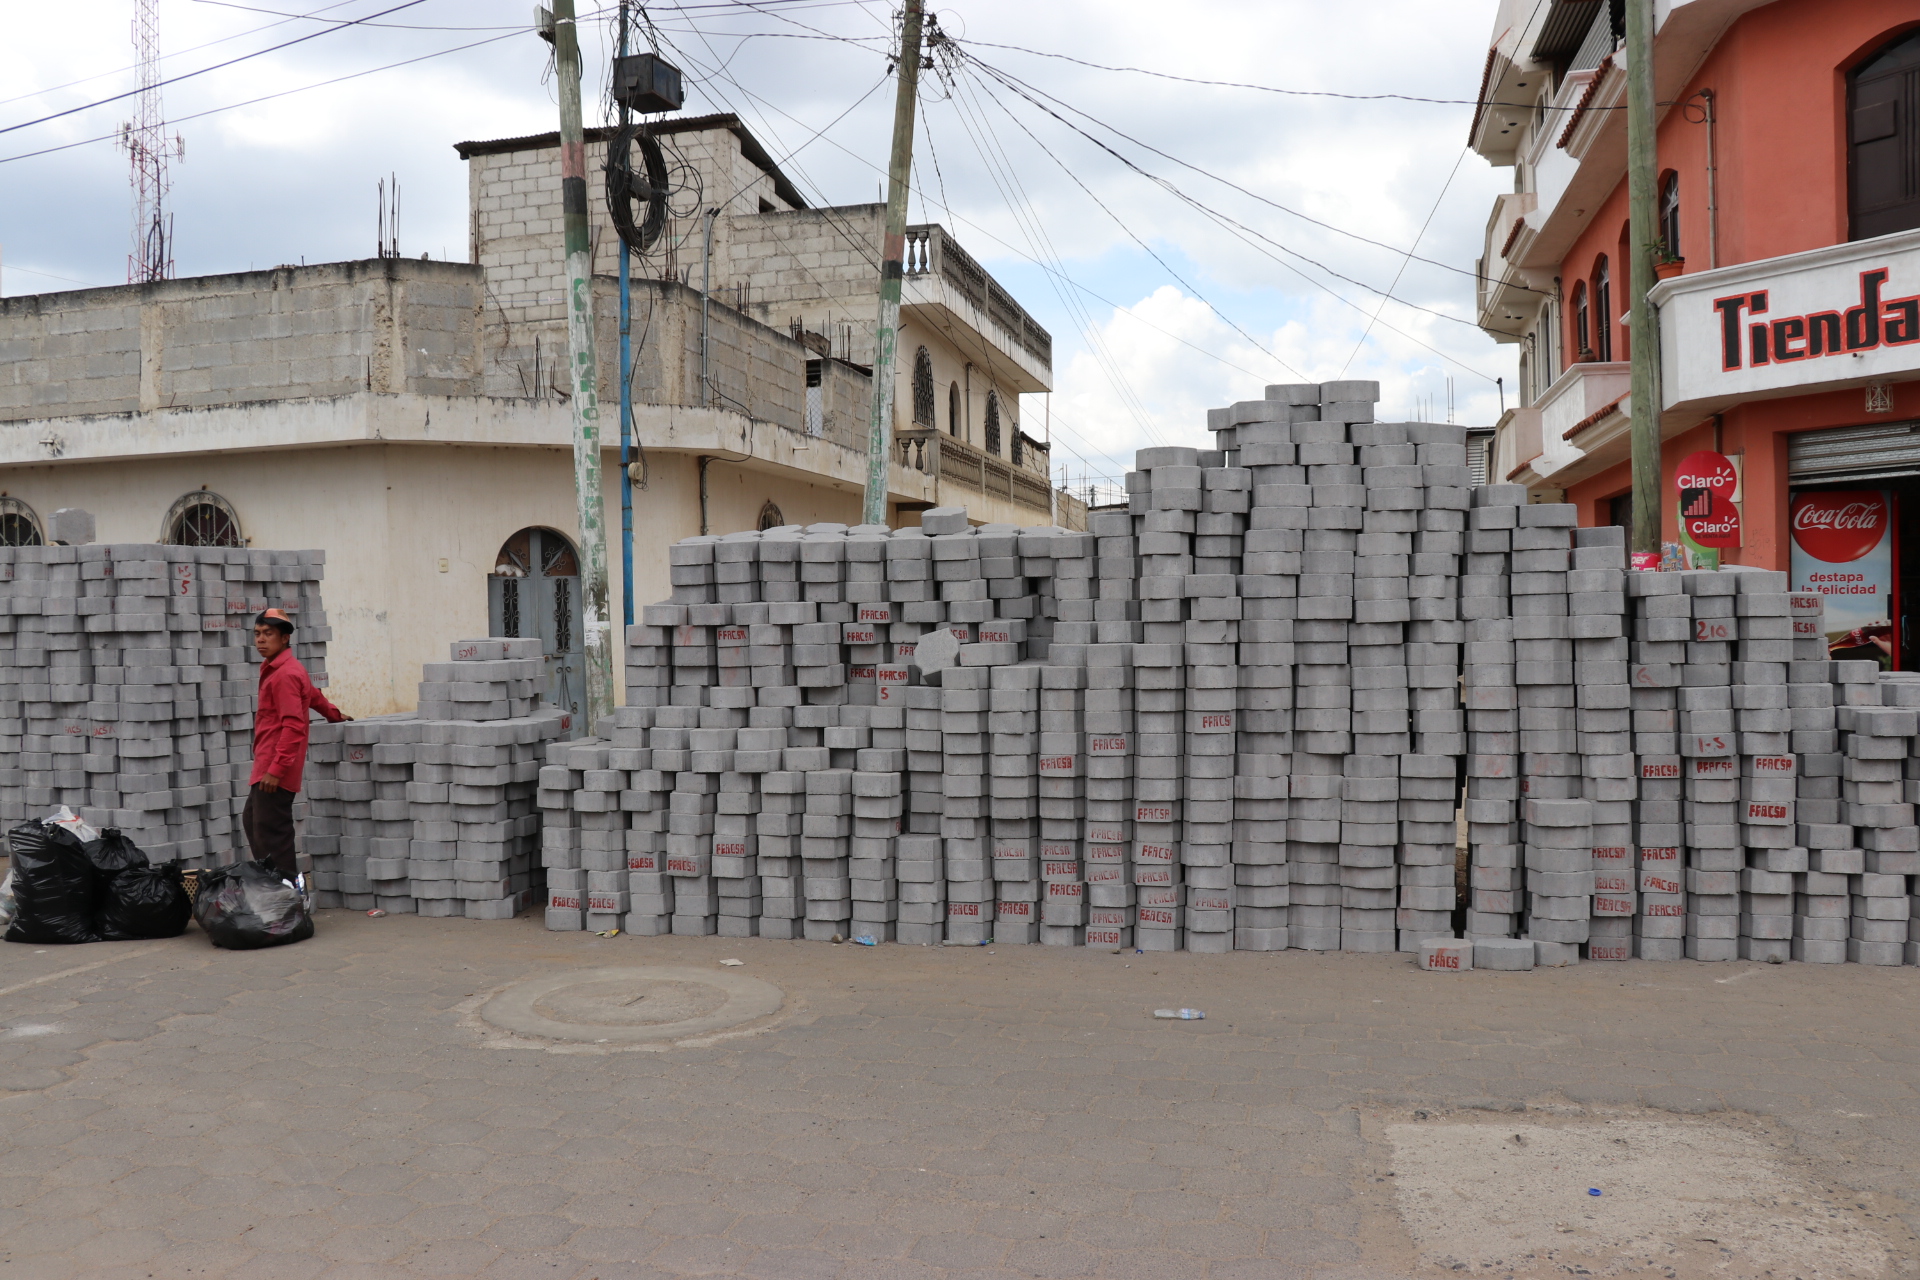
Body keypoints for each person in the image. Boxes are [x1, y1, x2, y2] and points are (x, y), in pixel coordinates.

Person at [245, 608, 349, 880]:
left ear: (285, 639)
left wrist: (276, 770)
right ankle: (273, 889)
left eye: (268, 634)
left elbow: (294, 727)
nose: (261, 640)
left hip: (274, 769)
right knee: (255, 823)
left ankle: (287, 897)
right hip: (266, 764)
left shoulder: (285, 675)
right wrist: (334, 715)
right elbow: (313, 696)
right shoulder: (283, 669)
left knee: (272, 835)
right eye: (257, 634)